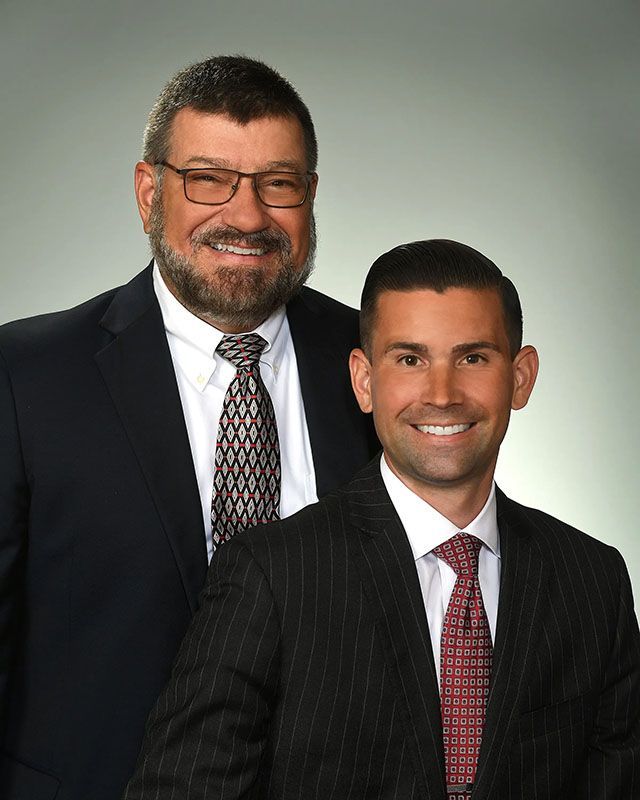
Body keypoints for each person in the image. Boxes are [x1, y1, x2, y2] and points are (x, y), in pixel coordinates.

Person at [123, 239, 640, 800]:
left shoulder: (593, 581)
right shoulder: (272, 576)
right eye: (410, 359)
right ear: (364, 381)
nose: (442, 395)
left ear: (520, 376)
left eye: (472, 358)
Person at [0, 56, 378, 800]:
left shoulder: (375, 364)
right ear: (149, 191)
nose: (246, 215)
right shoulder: (25, 377)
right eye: (208, 178)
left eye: (279, 184)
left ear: (310, 197)